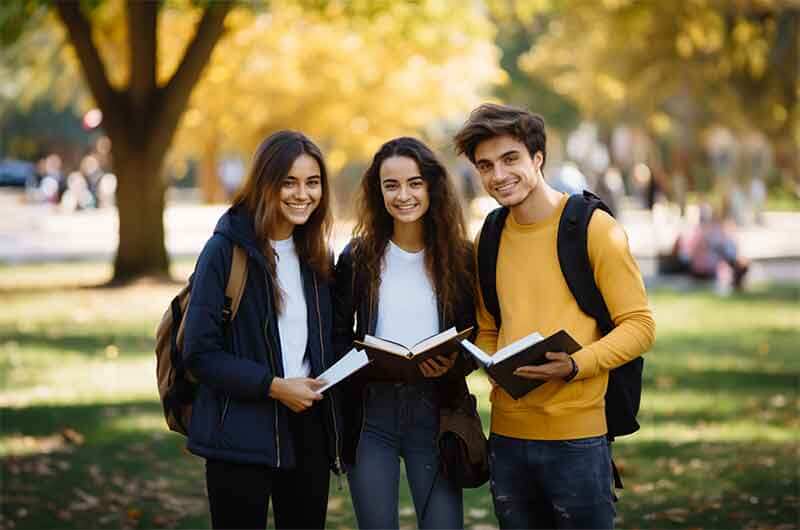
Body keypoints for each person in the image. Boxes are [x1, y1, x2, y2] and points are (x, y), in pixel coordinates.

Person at [453, 104, 656, 529]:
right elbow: (489, 326)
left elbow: (639, 325)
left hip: (577, 439)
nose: (499, 175)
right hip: (507, 439)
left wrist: (576, 364)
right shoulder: (488, 237)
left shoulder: (595, 229)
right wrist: (491, 362)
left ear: (537, 158)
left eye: (511, 159)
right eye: (485, 165)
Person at [182, 130, 343, 530]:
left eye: (313, 182)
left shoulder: (318, 255)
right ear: (265, 183)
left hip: (308, 431)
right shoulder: (225, 250)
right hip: (239, 431)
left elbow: (329, 339)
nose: (302, 194)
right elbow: (200, 352)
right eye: (289, 182)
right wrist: (273, 386)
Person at [333, 137, 476, 529]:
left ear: (431, 186)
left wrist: (453, 362)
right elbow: (338, 335)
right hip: (371, 415)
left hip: (435, 412)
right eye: (390, 185)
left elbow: (474, 334)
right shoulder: (358, 257)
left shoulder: (460, 257)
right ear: (378, 192)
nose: (403, 195)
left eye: (414, 183)